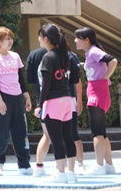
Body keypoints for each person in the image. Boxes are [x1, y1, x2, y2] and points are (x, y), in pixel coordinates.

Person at [34, 24, 77, 184]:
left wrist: (40, 104)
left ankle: (60, 173)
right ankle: (71, 172)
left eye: (40, 36)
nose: (39, 39)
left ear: (46, 38)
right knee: (68, 136)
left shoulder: (48, 57)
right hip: (67, 100)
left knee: (56, 138)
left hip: (54, 102)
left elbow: (46, 84)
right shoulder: (65, 55)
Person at [0, 27, 32, 175]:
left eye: (11, 38)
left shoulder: (15, 56)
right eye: (7, 39)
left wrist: (26, 96)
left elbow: (20, 78)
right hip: (3, 97)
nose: (10, 41)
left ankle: (24, 164)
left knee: (20, 131)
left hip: (17, 97)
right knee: (0, 131)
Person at [74, 27, 118, 175]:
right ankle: (109, 165)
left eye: (77, 38)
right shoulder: (90, 52)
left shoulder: (93, 51)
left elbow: (113, 61)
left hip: (97, 93)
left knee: (97, 132)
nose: (75, 41)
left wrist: (105, 78)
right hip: (98, 92)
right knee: (102, 132)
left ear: (86, 40)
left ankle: (99, 165)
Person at [26, 45, 52, 177]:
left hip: (44, 100)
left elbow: (30, 80)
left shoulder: (35, 54)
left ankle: (39, 165)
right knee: (64, 135)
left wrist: (39, 104)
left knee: (47, 135)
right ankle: (69, 166)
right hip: (63, 99)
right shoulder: (65, 54)